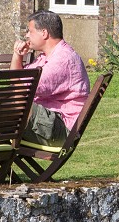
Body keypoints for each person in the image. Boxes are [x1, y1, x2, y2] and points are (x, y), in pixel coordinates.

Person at [10, 9, 90, 145]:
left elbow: (23, 91)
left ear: (44, 33)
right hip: (46, 123)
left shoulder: (63, 59)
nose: (27, 36)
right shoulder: (45, 57)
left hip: (61, 130)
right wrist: (18, 55)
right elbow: (17, 80)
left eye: (30, 31)